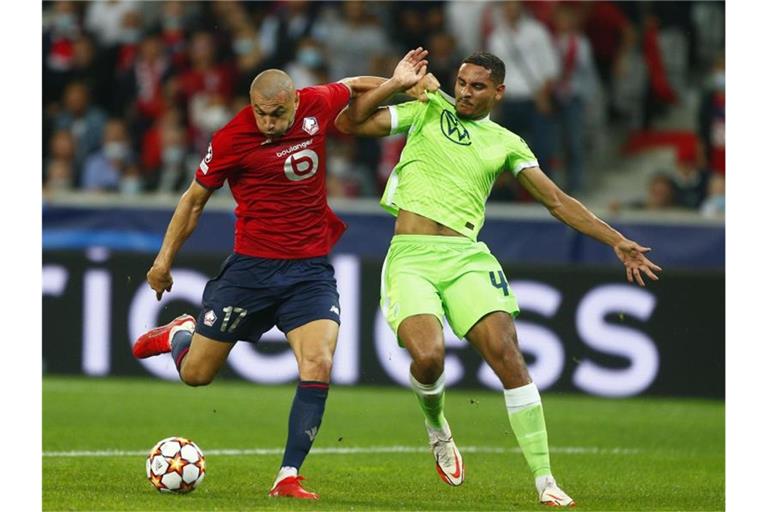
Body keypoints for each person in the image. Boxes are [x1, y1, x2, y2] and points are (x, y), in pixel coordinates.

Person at [336, 51, 662, 508]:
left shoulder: (507, 143)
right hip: (411, 256)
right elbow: (349, 123)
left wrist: (616, 240)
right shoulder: (427, 108)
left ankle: (545, 480)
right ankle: (437, 427)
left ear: (498, 92)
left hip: (466, 257)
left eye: (477, 86)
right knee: (428, 358)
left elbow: (556, 200)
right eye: (462, 83)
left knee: (508, 355)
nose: (466, 93)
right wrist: (398, 82)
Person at [130, 48, 432, 500]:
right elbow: (193, 201)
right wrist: (162, 261)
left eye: (276, 114)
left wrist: (400, 81)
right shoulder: (231, 138)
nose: (268, 123)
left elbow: (350, 86)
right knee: (196, 375)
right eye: (260, 114)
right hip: (251, 270)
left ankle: (287, 475)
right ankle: (181, 332)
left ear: (294, 101)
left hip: (309, 271)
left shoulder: (315, 103)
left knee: (319, 362)